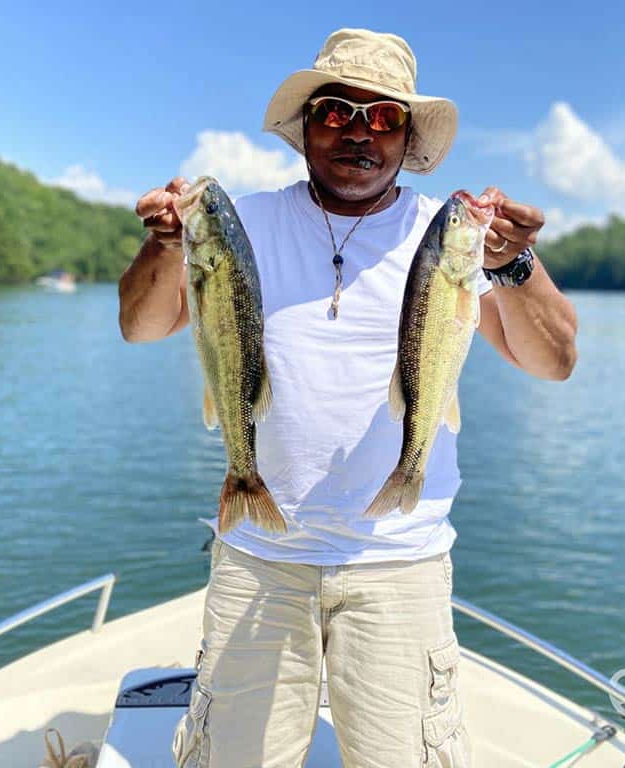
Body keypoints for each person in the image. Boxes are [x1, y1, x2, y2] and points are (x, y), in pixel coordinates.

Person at [119, 28, 578, 768]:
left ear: (407, 137)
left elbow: (554, 362)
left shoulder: (449, 237)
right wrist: (167, 245)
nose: (358, 133)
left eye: (383, 117)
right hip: (257, 560)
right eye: (335, 112)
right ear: (305, 127)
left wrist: (516, 264)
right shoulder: (246, 224)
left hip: (400, 562)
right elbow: (141, 327)